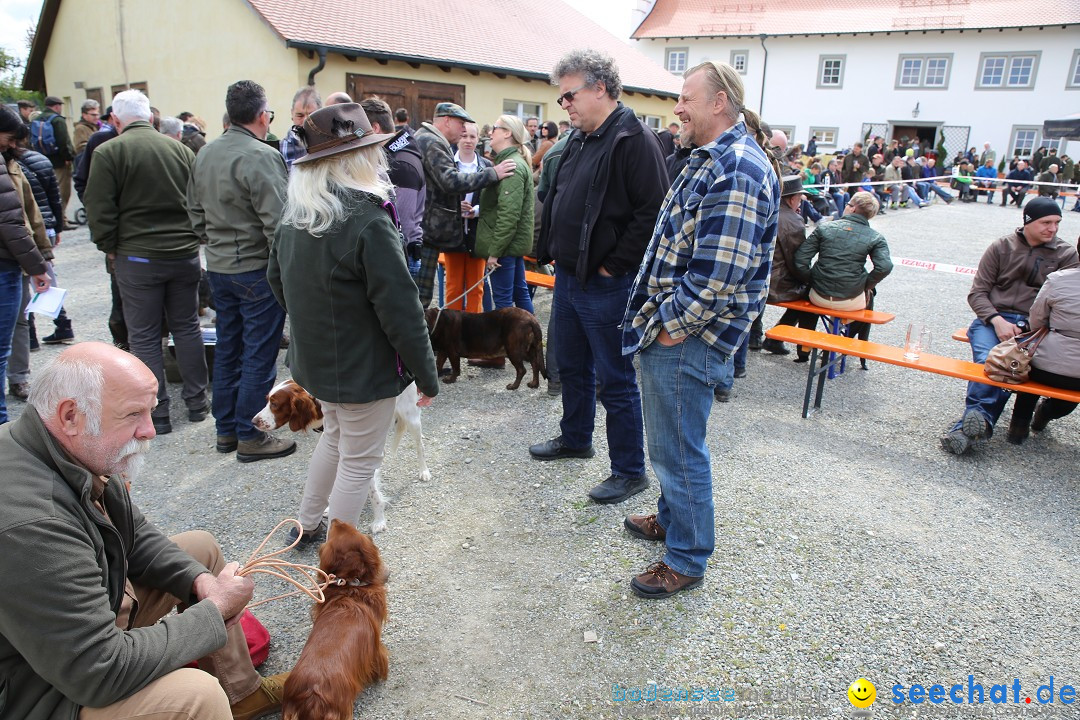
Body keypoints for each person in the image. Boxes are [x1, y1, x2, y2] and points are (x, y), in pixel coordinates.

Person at [0, 342, 288, 719]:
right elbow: (100, 671)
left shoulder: (63, 446)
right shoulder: (32, 525)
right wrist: (214, 612)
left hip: (65, 642)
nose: (150, 430)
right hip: (35, 690)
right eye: (133, 414)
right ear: (70, 415)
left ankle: (242, 693)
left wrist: (200, 582)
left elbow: (133, 533)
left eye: (150, 411)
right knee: (194, 696)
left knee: (199, 551)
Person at [621, 59, 779, 599]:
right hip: (683, 334)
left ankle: (686, 558)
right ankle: (672, 517)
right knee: (670, 441)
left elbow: (717, 275)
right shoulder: (710, 158)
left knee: (678, 450)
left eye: (687, 98)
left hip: (691, 338)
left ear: (719, 103)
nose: (678, 107)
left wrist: (669, 328)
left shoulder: (737, 168)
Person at [267, 103, 439, 544]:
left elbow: (277, 282)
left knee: (334, 439)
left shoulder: (297, 214)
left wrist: (314, 324)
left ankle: (306, 525)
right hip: (362, 369)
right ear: (359, 157)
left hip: (318, 364)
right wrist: (427, 376)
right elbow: (402, 311)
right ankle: (338, 561)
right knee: (359, 459)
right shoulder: (366, 219)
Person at [529, 48, 667, 506]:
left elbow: (651, 214)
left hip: (605, 281)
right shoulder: (582, 138)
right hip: (570, 275)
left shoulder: (633, 139)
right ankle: (576, 438)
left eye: (569, 95)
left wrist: (613, 265)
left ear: (600, 88)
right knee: (570, 364)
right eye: (561, 98)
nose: (563, 105)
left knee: (615, 378)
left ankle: (629, 471)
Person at [84, 90, 208, 437]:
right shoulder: (181, 150)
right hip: (183, 255)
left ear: (115, 121)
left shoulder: (109, 152)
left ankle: (159, 412)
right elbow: (198, 202)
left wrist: (109, 246)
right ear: (151, 118)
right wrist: (194, 239)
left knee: (144, 337)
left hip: (137, 257)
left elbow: (98, 208)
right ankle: (197, 404)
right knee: (186, 328)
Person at [188, 80, 293, 462]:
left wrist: (216, 242)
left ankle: (227, 430)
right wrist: (284, 271)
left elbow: (195, 214)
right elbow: (279, 225)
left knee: (230, 349)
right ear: (263, 116)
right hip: (254, 269)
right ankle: (250, 434)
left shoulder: (205, 153)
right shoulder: (261, 156)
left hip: (218, 266)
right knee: (258, 354)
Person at [940, 198, 1078, 454]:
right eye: (1046, 222)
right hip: (992, 319)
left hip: (1034, 327)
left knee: (1008, 366)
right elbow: (977, 293)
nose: (1053, 228)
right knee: (988, 362)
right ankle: (980, 422)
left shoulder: (1066, 254)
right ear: (1027, 221)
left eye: (1057, 222)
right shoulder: (1001, 247)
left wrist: (1028, 326)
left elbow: (1065, 302)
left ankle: (968, 425)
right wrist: (996, 320)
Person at [413, 103, 515, 308]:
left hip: (428, 230)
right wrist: (493, 174)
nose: (463, 131)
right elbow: (450, 181)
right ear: (447, 120)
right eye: (461, 124)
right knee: (420, 300)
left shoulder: (426, 138)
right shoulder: (432, 142)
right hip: (427, 231)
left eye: (469, 131)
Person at [0, 111, 51, 423]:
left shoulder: (12, 162)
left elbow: (29, 211)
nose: (12, 144)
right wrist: (37, 265)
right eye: (9, 137)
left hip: (13, 260)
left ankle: (18, 378)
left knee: (18, 325)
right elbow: (11, 222)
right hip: (6, 264)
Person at [1006, 262, 1080, 444]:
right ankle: (1047, 412)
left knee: (1031, 363)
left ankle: (1018, 428)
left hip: (1046, 367)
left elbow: (1036, 319)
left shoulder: (1057, 280)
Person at [794, 191, 892, 312]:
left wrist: (811, 279)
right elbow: (885, 267)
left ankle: (805, 328)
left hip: (818, 295)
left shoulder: (825, 228)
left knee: (807, 299)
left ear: (853, 209)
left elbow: (800, 258)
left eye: (848, 204)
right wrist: (866, 284)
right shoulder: (876, 237)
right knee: (870, 296)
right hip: (852, 298)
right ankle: (857, 331)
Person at [359, 97, 425, 274]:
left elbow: (402, 223)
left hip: (400, 255)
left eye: (359, 131)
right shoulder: (396, 155)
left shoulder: (400, 164)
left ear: (374, 128)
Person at [477, 115, 534, 313]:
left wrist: (495, 252)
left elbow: (509, 215)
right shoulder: (510, 162)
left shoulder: (512, 166)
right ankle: (532, 342)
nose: (491, 132)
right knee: (520, 293)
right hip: (510, 245)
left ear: (507, 133)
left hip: (504, 247)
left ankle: (510, 344)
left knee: (503, 303)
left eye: (495, 128)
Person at [760, 175, 818, 360]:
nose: (801, 201)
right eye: (800, 198)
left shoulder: (764, 209)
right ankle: (797, 346)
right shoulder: (793, 220)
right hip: (775, 283)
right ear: (792, 198)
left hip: (756, 278)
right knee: (810, 294)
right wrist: (809, 280)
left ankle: (755, 335)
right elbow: (797, 262)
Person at [447, 121, 491, 315]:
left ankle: (474, 335)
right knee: (453, 287)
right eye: (464, 136)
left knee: (476, 289)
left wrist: (476, 210)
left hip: (477, 234)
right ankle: (451, 333)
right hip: (453, 234)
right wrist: (456, 207)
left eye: (472, 136)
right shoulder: (447, 163)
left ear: (478, 140)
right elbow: (439, 197)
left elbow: (493, 202)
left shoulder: (487, 166)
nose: (468, 140)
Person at [33, 97, 75, 219]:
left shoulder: (37, 119)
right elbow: (63, 142)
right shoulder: (57, 120)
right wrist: (68, 157)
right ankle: (61, 218)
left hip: (41, 161)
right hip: (59, 161)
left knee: (48, 191)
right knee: (62, 191)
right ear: (56, 106)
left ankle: (53, 217)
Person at [280, 86, 321, 171]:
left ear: (320, 113)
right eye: (300, 115)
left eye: (311, 115)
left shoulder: (329, 147)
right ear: (292, 114)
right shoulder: (280, 149)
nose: (305, 121)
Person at [73, 99, 101, 165]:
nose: (97, 117)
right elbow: (81, 148)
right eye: (93, 115)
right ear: (84, 115)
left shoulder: (94, 126)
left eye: (98, 114)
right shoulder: (80, 128)